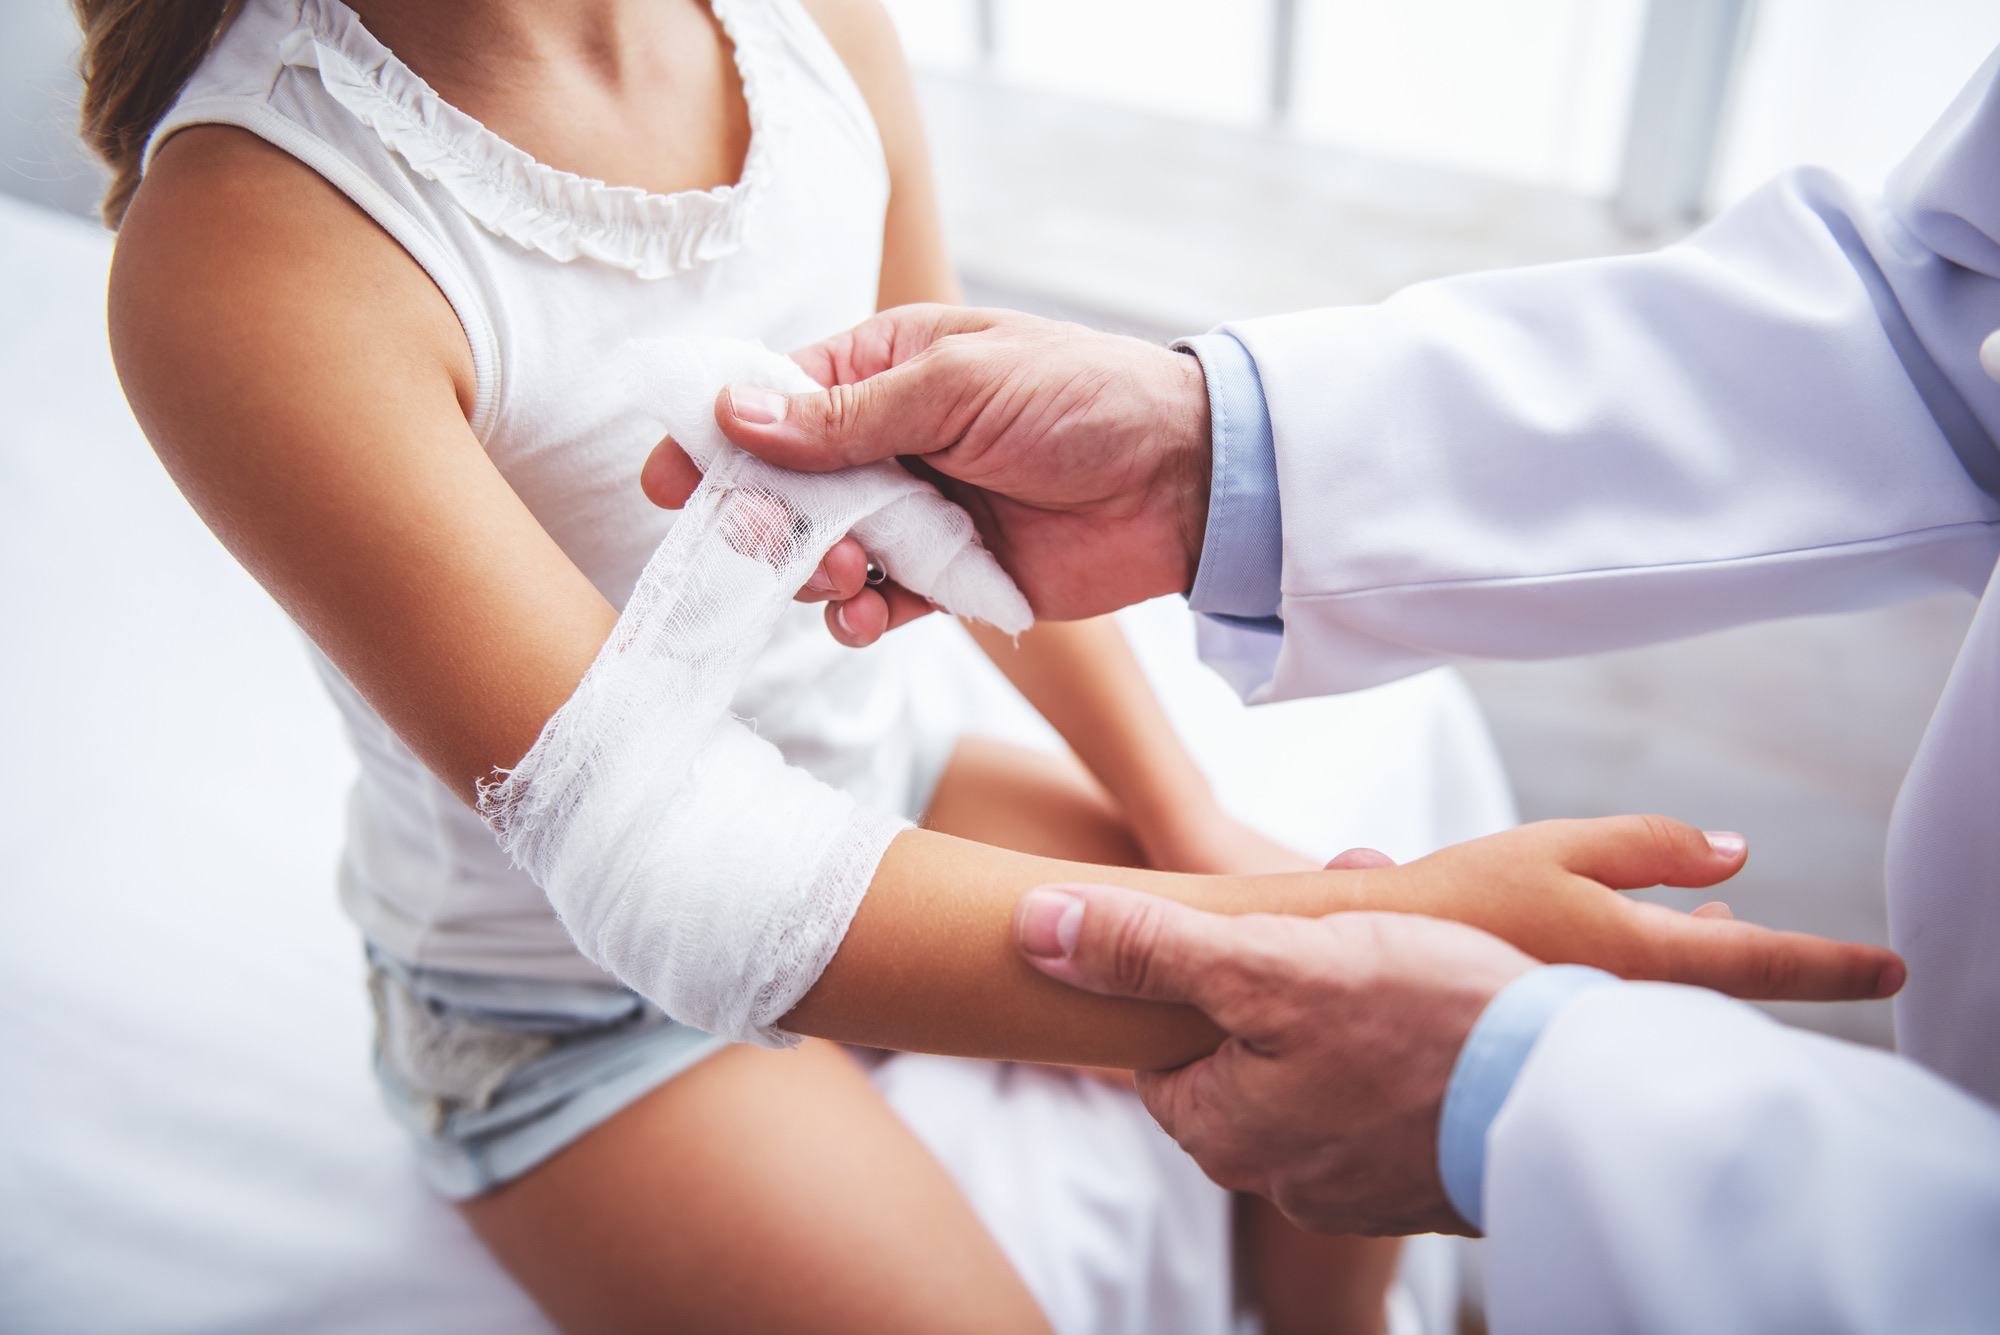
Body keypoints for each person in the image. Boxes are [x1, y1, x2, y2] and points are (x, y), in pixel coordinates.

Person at [81, 1, 1889, 1333]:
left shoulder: (795, 28)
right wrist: (1352, 942)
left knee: (1341, 1124)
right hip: (575, 1019)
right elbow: (672, 864)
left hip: (881, 782)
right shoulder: (249, 245)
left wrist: (1197, 827)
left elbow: (963, 493)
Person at [653, 42, 2000, 1333]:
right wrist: (1374, 914)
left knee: (1279, 1018)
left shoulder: (823, 33)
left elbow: (942, 514)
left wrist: (1207, 834)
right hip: (597, 973)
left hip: (867, 775)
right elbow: (1935, 318)